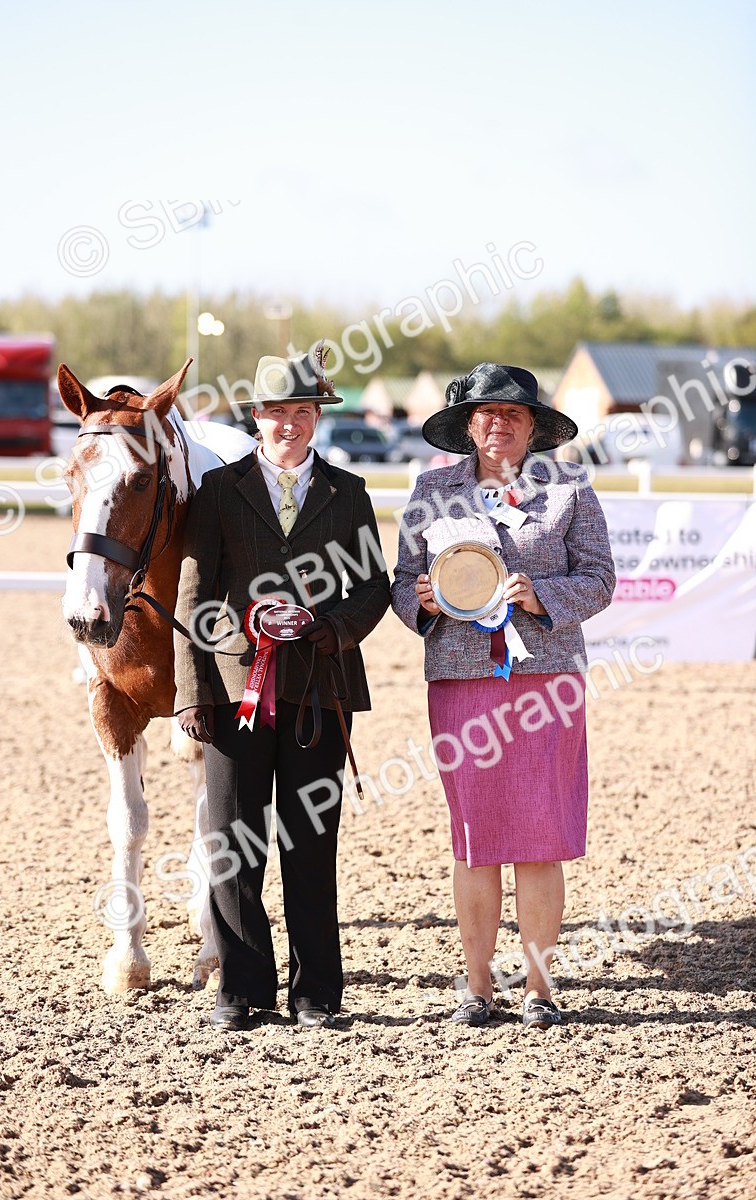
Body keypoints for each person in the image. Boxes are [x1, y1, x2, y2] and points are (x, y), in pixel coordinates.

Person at [391, 363, 615, 1030]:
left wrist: (545, 596)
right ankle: (478, 986)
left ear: (533, 427)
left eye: (512, 415)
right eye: (486, 413)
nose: (498, 423)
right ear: (466, 425)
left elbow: (601, 578)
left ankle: (540, 990)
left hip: (547, 684)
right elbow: (403, 580)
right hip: (461, 682)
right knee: (475, 839)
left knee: (541, 837)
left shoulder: (570, 488)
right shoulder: (431, 491)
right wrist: (422, 602)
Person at [174, 343, 390, 1031]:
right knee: (234, 844)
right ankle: (241, 988)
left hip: (319, 691)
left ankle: (316, 992)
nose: (289, 424)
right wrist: (191, 691)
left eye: (302, 411)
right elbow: (194, 595)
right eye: (276, 412)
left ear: (316, 417)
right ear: (256, 416)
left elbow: (374, 587)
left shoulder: (349, 492)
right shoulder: (219, 491)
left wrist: (334, 629)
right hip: (237, 690)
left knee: (310, 843)